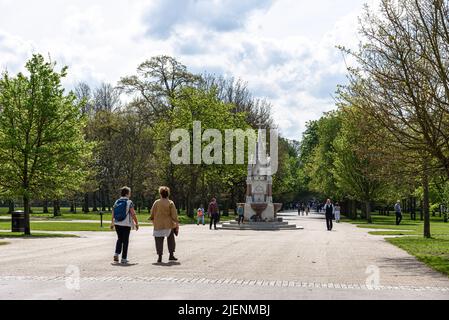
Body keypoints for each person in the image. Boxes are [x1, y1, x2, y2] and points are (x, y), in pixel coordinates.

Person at [150, 186, 179, 263]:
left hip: (158, 224)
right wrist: (176, 224)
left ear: (160, 194)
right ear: (168, 194)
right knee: (171, 240)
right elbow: (174, 215)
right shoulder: (170, 203)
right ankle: (171, 255)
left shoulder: (156, 202)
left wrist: (153, 220)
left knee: (158, 241)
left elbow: (152, 213)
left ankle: (159, 257)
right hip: (168, 224)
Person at [111, 186, 139, 264]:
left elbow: (113, 212)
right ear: (127, 193)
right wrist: (136, 223)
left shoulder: (117, 201)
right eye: (129, 193)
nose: (130, 194)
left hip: (117, 223)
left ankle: (116, 254)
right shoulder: (129, 202)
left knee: (119, 239)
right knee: (125, 241)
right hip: (126, 224)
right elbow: (133, 214)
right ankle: (124, 258)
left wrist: (112, 222)